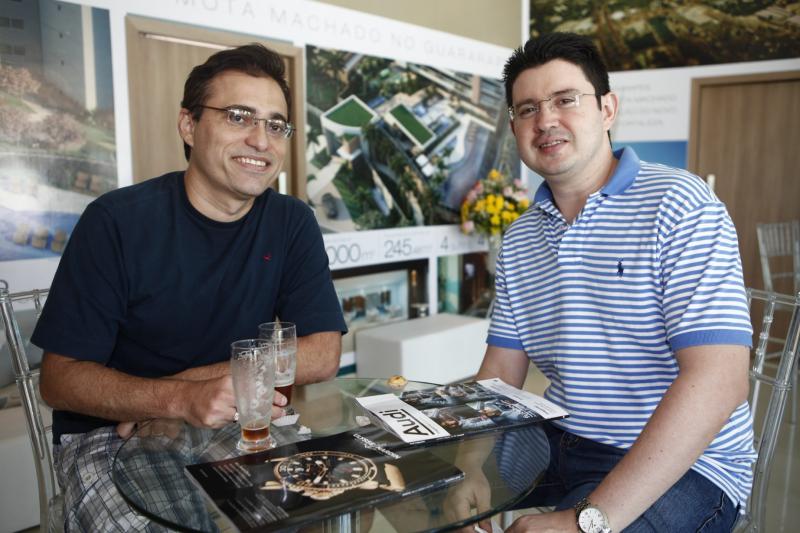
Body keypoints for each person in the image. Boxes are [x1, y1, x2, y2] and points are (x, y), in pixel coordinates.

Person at [31, 43, 347, 530]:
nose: (261, 140)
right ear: (188, 125)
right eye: (239, 117)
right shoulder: (116, 221)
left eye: (275, 125)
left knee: (342, 504)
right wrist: (176, 400)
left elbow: (322, 353)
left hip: (236, 418)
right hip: (114, 435)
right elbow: (59, 380)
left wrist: (183, 391)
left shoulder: (291, 221)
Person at [449, 33, 754, 532]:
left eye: (565, 99)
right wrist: (468, 466)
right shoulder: (522, 236)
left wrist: (587, 521)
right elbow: (500, 372)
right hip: (562, 438)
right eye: (527, 109)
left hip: (691, 464)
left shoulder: (679, 204)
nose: (545, 120)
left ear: (607, 109)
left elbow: (719, 381)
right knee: (424, 481)